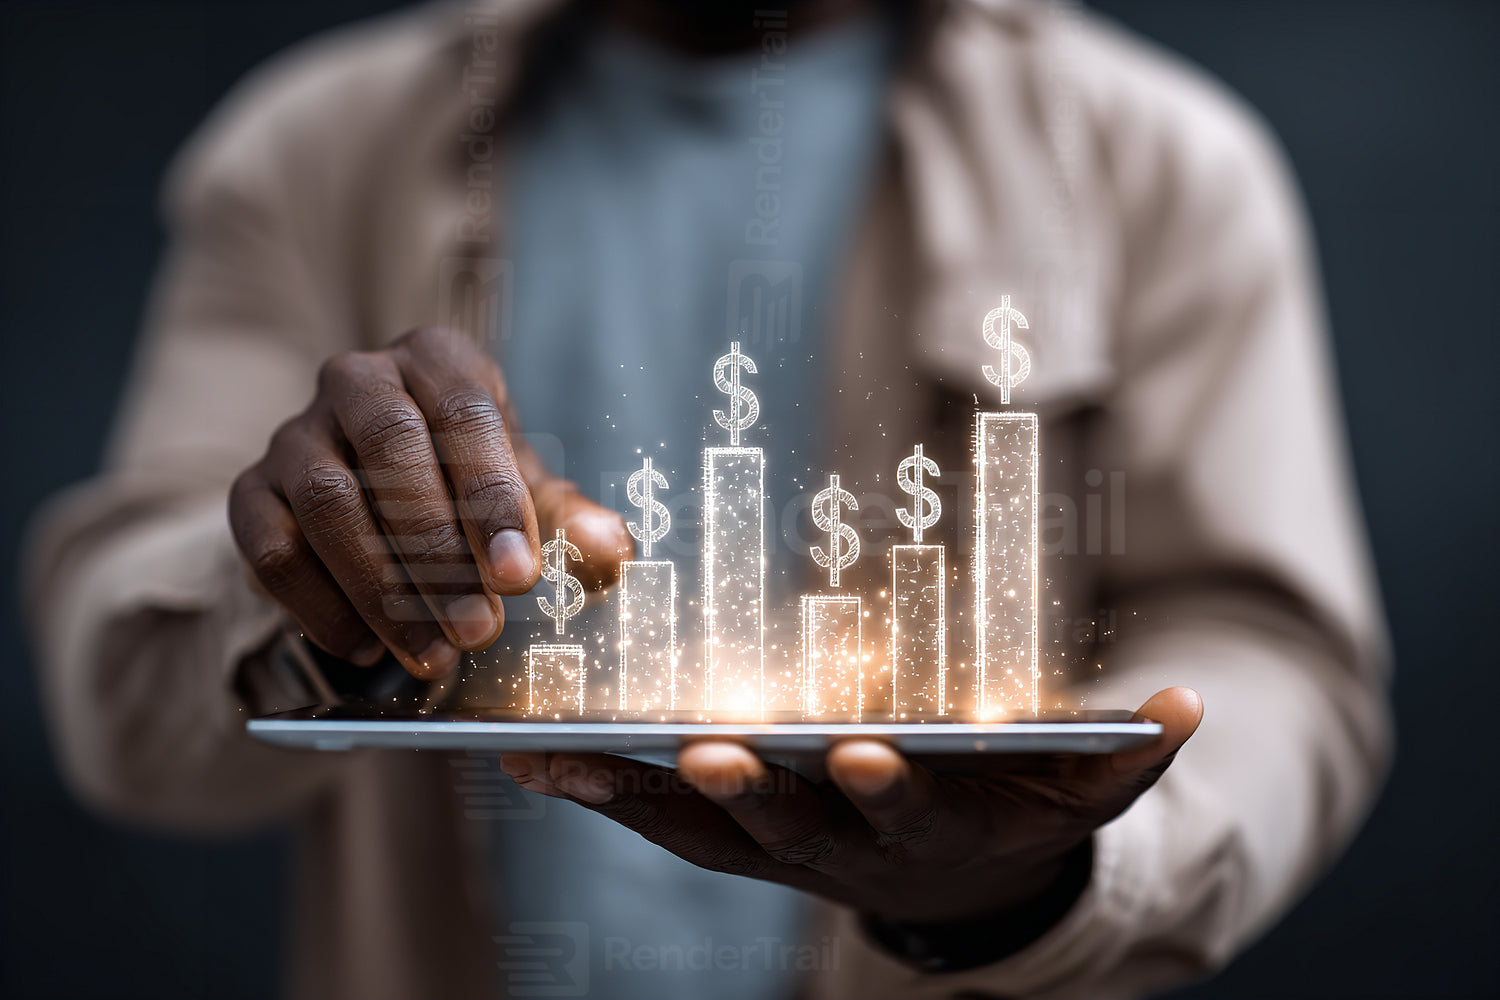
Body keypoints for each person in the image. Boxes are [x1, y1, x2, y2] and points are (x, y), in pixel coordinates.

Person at [24, 0, 1392, 997]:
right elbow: (129, 707)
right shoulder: (320, 148)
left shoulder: (1155, 163)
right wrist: (306, 589)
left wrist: (1047, 876)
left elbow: (1271, 654)